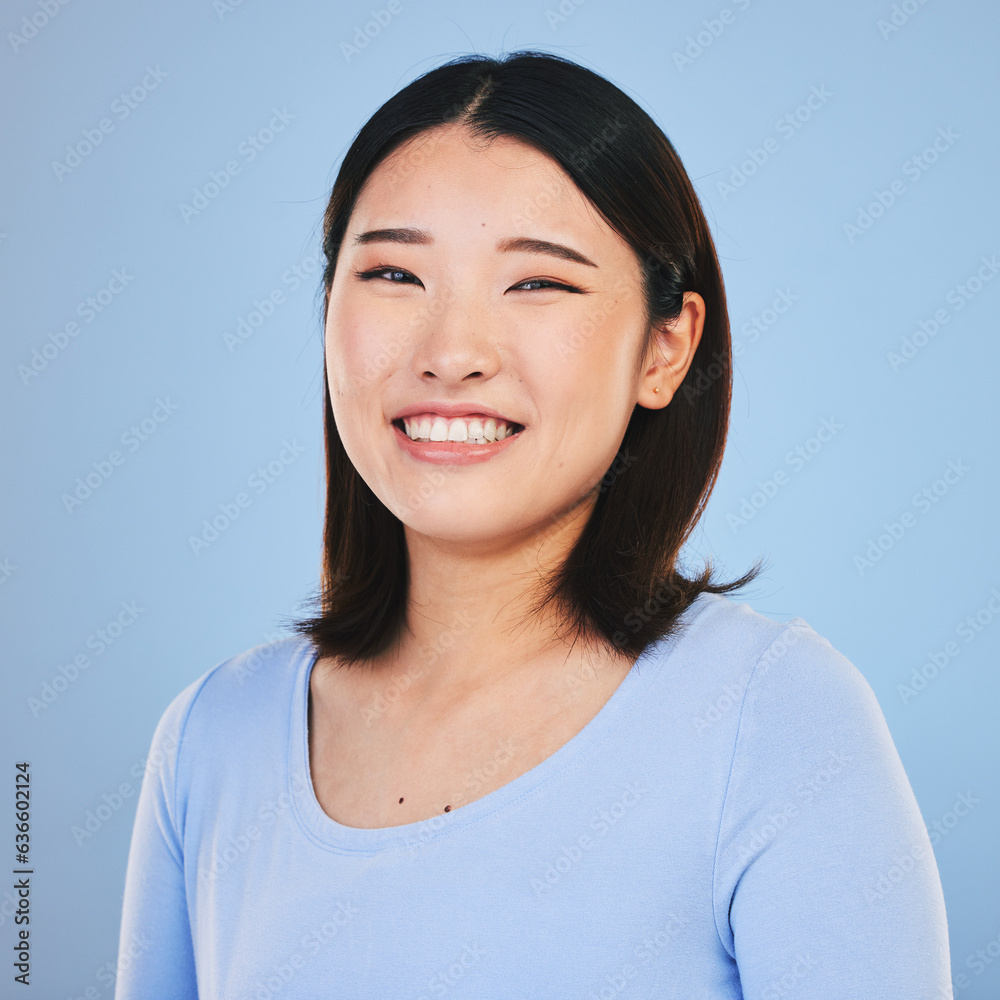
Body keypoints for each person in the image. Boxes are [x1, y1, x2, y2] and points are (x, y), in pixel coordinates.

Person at [115, 50, 954, 998]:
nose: (452, 353)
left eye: (538, 284)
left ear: (665, 348)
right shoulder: (209, 742)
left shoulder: (776, 723)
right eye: (394, 273)